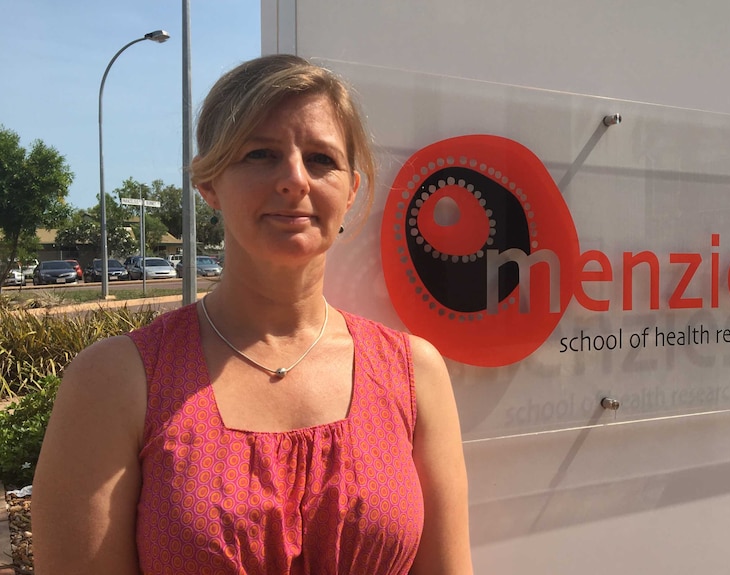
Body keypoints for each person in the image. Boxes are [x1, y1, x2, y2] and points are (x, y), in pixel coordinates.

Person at [32, 54, 473, 575]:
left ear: (352, 189)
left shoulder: (412, 374)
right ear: (209, 183)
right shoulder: (116, 382)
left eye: (320, 159)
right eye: (261, 154)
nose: (293, 180)